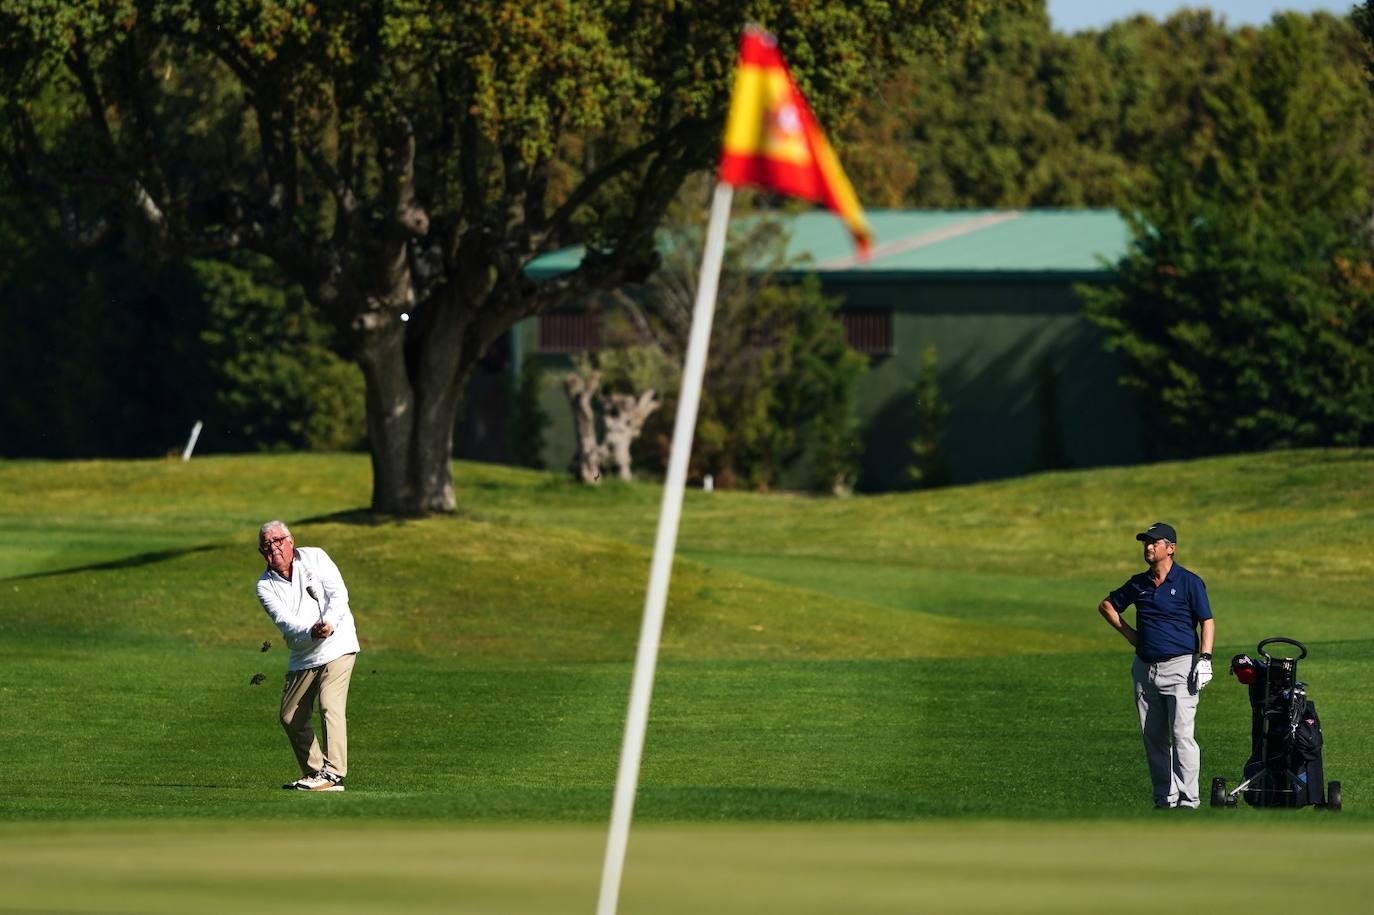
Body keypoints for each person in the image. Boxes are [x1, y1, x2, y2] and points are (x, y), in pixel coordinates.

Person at [1098, 522, 1215, 809]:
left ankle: (1189, 799)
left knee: (1182, 735)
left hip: (1181, 668)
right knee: (1153, 737)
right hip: (1145, 669)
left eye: (1154, 542)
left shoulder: (1189, 582)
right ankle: (1165, 797)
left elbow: (1206, 622)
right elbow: (1107, 606)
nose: (1148, 547)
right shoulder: (1138, 583)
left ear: (1171, 548)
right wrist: (1131, 636)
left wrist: (1205, 659)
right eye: (1145, 543)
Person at [255, 520, 361, 792]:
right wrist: (311, 631)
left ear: (291, 541)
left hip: (338, 644)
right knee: (291, 717)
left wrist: (331, 623)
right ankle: (317, 774)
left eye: (278, 540)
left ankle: (334, 773)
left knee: (330, 705)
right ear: (261, 552)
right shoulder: (264, 586)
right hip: (304, 653)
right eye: (267, 544)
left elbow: (338, 595)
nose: (274, 548)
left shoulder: (316, 557)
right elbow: (285, 623)